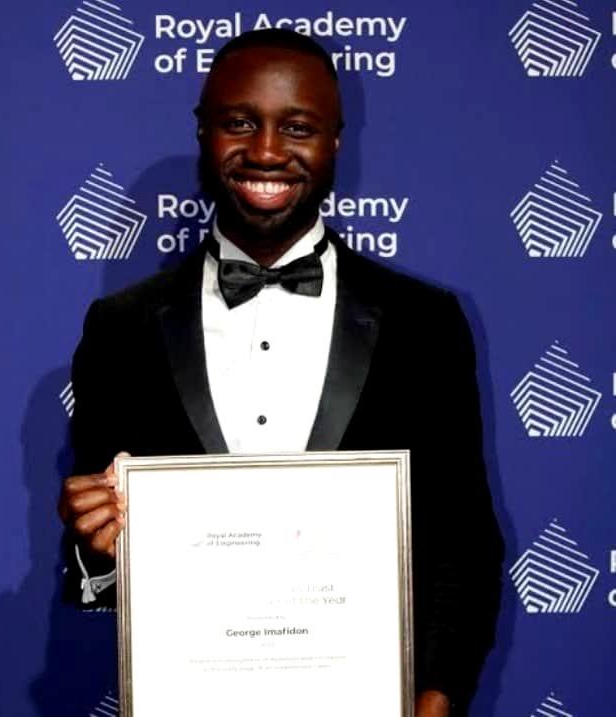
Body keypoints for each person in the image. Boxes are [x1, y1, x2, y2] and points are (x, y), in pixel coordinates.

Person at [58, 29, 503, 717]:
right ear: (202, 132)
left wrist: (434, 701)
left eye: (297, 127)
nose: (266, 151)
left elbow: (461, 543)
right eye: (240, 123)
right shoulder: (122, 328)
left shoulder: (424, 323)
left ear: (335, 142)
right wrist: (94, 544)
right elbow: (100, 579)